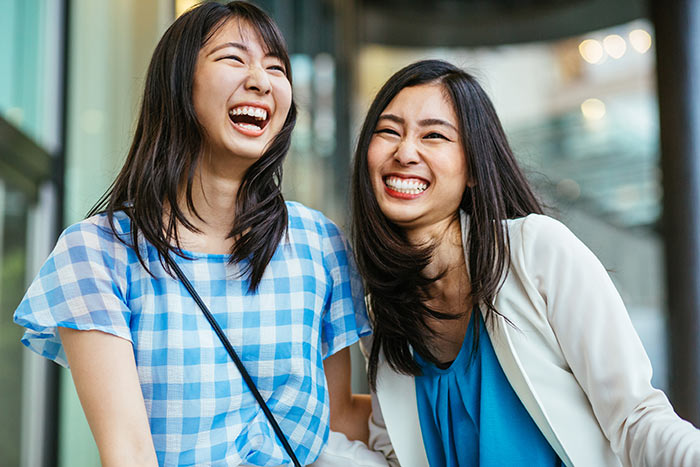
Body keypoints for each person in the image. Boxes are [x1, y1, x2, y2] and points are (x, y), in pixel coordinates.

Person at [13, 2, 378, 466]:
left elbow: (339, 416)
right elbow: (128, 453)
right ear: (178, 83)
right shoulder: (98, 253)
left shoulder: (317, 243)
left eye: (276, 67)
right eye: (233, 58)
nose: (261, 81)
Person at [351, 59, 700, 466]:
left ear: (475, 170)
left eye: (434, 135)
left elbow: (636, 420)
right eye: (388, 131)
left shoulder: (537, 251)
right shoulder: (383, 307)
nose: (405, 151)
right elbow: (395, 455)